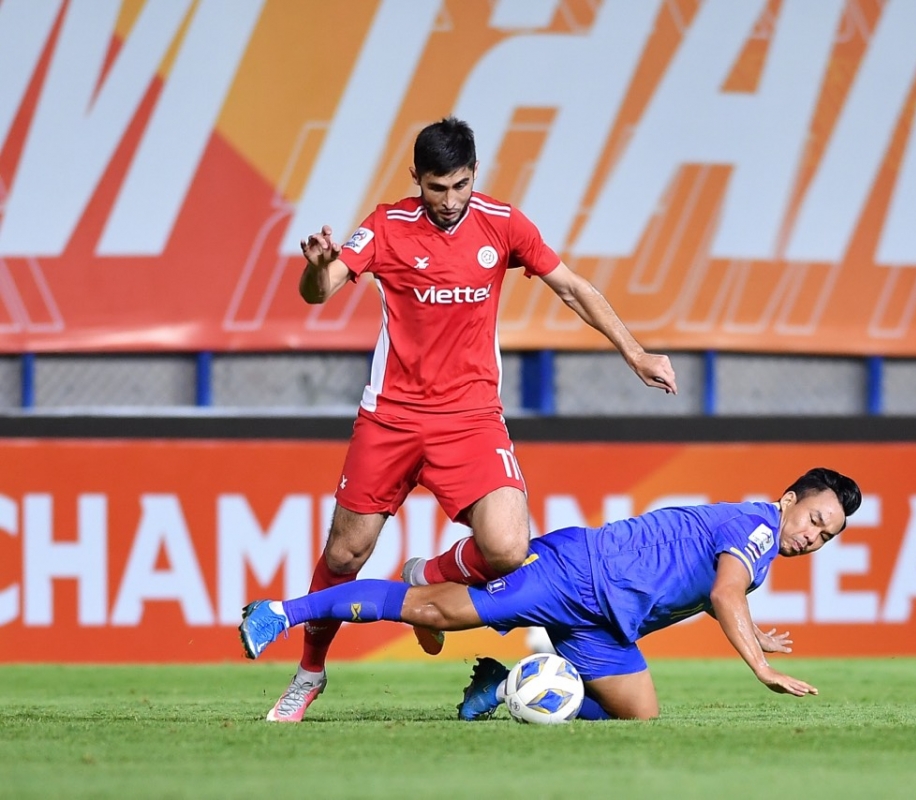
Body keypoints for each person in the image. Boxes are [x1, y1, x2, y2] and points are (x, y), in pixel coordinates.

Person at [279, 116, 677, 723]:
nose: (449, 201)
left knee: (509, 548)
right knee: (346, 554)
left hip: (470, 417)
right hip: (391, 416)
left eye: (460, 185)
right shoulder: (387, 225)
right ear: (416, 178)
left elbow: (570, 287)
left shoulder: (503, 222)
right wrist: (316, 265)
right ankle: (310, 673)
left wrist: (636, 351)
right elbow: (319, 290)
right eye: (437, 187)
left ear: (474, 175)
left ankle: (425, 573)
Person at [239, 468, 862, 721]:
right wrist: (759, 662)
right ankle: (280, 612)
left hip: (602, 623)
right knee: (435, 612)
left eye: (827, 536)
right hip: (576, 575)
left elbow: (702, 595)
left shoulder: (759, 548)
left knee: (640, 716)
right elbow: (725, 595)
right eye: (813, 520)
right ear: (788, 500)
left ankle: (507, 686)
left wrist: (751, 629)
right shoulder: (756, 528)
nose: (813, 537)